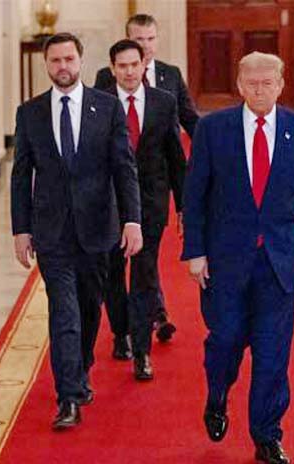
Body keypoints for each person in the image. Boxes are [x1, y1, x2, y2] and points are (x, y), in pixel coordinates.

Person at [181, 51, 294, 464]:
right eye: (252, 83)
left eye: (268, 83)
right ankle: (218, 393)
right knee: (225, 338)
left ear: (280, 85)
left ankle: (267, 435)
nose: (260, 90)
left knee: (272, 352)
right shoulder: (213, 129)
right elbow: (195, 195)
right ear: (239, 85)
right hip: (225, 259)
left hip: (279, 261)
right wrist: (195, 251)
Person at [11, 32, 142, 430]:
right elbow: (21, 175)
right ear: (46, 65)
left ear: (80, 61)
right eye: (55, 60)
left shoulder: (107, 107)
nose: (63, 67)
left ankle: (80, 366)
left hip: (98, 228)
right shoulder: (30, 113)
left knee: (88, 308)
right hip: (51, 232)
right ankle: (68, 396)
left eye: (69, 59)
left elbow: (123, 167)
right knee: (63, 312)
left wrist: (132, 220)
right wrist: (21, 229)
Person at [102, 39, 186, 380]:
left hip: (151, 203)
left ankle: (142, 352)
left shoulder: (163, 103)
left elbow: (175, 157)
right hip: (109, 205)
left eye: (134, 65)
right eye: (122, 66)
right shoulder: (99, 104)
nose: (129, 72)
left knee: (144, 273)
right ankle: (120, 332)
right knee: (112, 273)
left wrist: (183, 206)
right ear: (112, 69)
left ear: (143, 65)